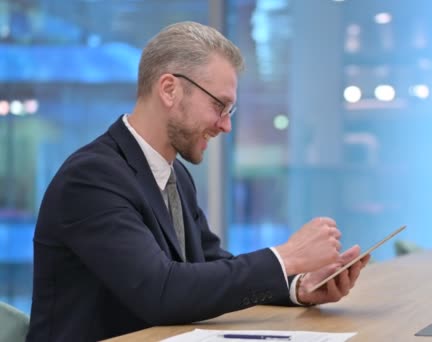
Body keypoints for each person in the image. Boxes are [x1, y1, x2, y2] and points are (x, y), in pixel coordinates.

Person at [26, 21, 370, 341]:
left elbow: (210, 268)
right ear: (169, 89)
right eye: (220, 105)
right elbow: (161, 292)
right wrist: (287, 256)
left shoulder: (174, 175)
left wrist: (298, 286)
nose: (226, 126)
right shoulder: (91, 179)